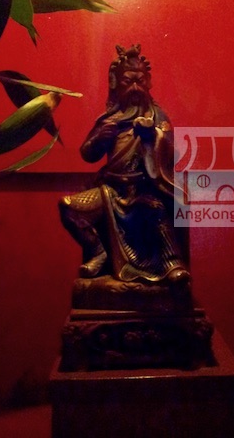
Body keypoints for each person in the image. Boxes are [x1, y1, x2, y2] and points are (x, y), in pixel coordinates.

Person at [59, 44, 189, 285]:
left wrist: (153, 136)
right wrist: (99, 139)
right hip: (110, 190)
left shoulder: (157, 117)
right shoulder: (110, 119)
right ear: (116, 84)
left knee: (156, 210)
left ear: (148, 83)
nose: (135, 88)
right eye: (128, 81)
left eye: (140, 81)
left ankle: (172, 264)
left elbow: (173, 152)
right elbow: (87, 154)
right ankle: (99, 252)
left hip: (144, 188)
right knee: (69, 207)